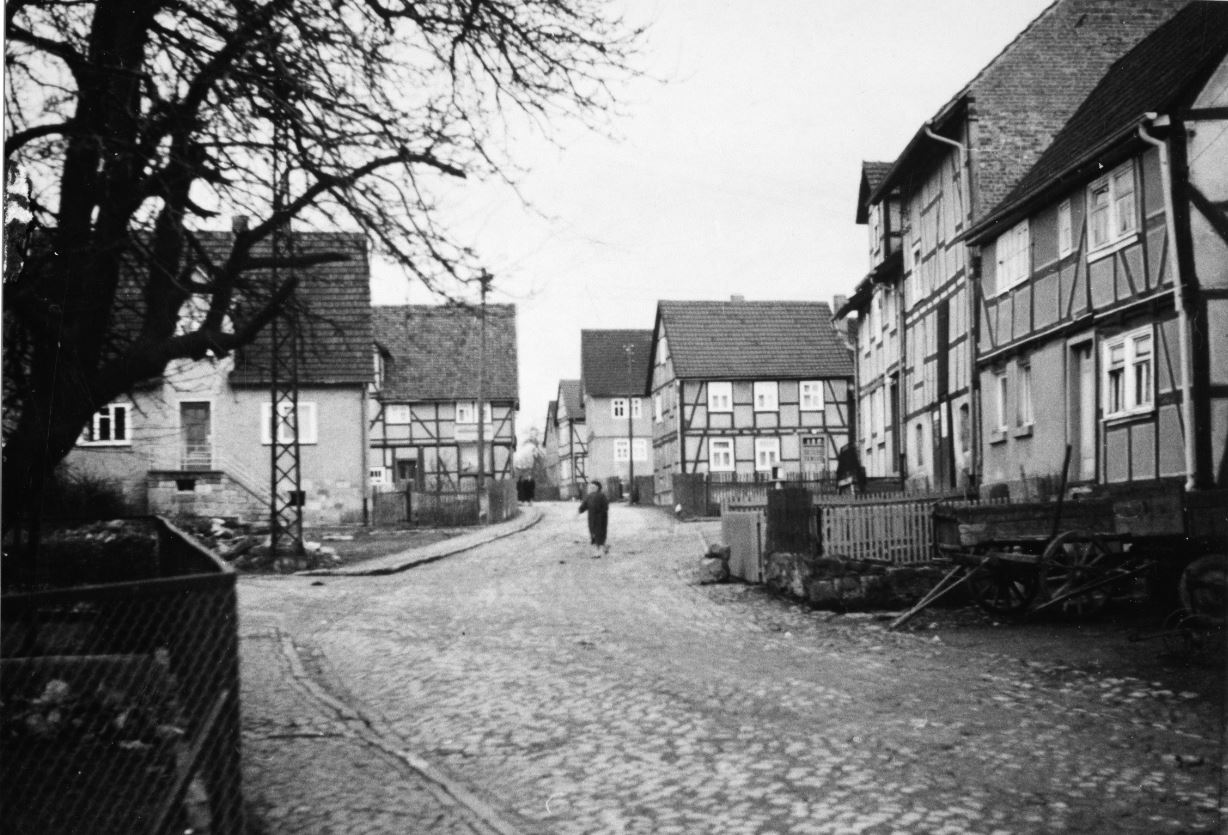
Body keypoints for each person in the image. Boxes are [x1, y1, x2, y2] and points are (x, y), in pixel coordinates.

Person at [578, 480, 609, 558]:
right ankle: (604, 547)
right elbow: (584, 506)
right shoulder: (592, 496)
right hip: (597, 519)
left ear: (597, 488)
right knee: (598, 534)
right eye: (590, 487)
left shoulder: (599, 496)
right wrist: (580, 510)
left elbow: (606, 506)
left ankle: (597, 552)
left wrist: (580, 510)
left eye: (592, 487)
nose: (590, 489)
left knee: (596, 534)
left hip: (597, 519)